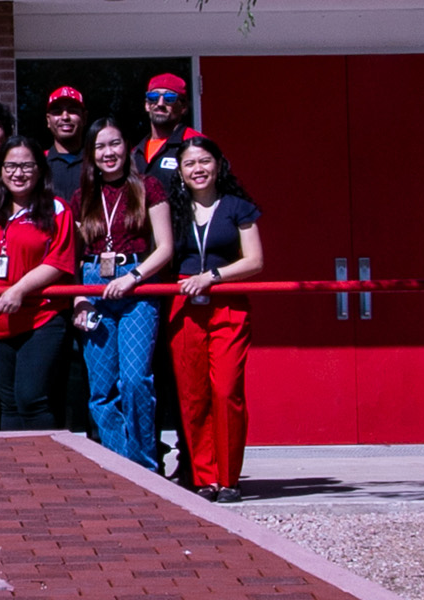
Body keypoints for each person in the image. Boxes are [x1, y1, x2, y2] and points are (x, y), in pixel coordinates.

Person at [71, 118, 174, 472]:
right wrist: (79, 299)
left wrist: (133, 277)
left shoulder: (149, 187)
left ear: (126, 147)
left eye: (114, 144)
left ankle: (145, 465)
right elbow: (77, 255)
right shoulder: (82, 195)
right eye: (99, 147)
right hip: (94, 288)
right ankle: (120, 466)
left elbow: (165, 248)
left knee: (134, 380)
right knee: (101, 391)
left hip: (138, 289)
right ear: (91, 154)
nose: (108, 153)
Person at [165, 137, 262, 504]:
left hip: (227, 305)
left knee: (226, 391)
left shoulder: (239, 207)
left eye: (205, 161)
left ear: (219, 165)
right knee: (193, 394)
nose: (198, 169)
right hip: (185, 307)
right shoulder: (173, 209)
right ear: (181, 172)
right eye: (190, 164)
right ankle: (204, 477)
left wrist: (214, 277)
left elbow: (255, 261)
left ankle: (229, 478)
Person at [0, 137, 77, 431]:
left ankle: (47, 467)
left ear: (40, 170)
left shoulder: (56, 209)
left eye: (27, 165)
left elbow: (58, 262)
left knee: (31, 397)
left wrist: (19, 289)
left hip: (43, 316)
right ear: (0, 170)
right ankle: (14, 471)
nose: (18, 173)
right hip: (0, 320)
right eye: (11, 166)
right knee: (8, 404)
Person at [137, 73, 207, 188]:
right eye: (153, 97)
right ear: (147, 105)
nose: (160, 104)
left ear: (183, 107)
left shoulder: (197, 144)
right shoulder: (136, 152)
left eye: (169, 98)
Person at [44, 87, 88, 203]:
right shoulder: (39, 164)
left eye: (72, 110)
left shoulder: (96, 162)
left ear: (84, 118)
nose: (65, 117)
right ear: (48, 120)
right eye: (57, 112)